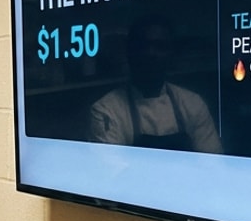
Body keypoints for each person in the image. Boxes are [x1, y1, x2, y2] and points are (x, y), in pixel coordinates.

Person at [89, 17, 223, 153]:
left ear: (171, 55)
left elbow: (212, 164)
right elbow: (111, 171)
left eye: (160, 47)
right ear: (129, 52)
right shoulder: (107, 110)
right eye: (143, 46)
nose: (151, 53)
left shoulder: (192, 104)